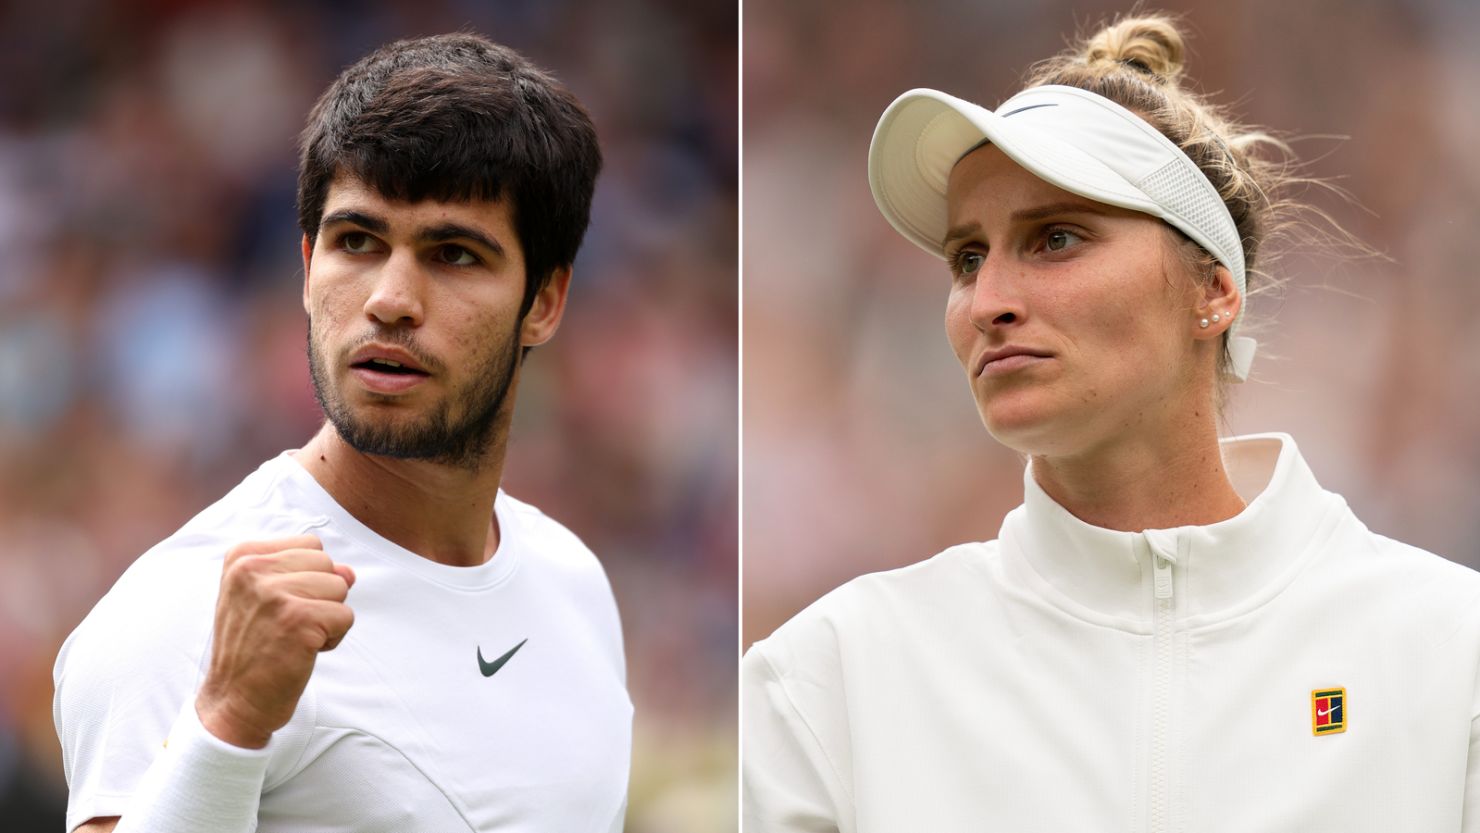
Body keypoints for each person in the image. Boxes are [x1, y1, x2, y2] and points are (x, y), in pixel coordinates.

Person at [742, 13, 1480, 832]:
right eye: (967, 259)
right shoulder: (828, 677)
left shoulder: (1450, 649)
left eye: (1056, 238)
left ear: (1214, 290)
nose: (988, 303)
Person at [53, 33, 631, 833]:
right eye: (356, 241)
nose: (391, 298)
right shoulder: (180, 611)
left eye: (454, 253)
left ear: (545, 302)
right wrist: (227, 719)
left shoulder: (576, 586)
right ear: (305, 261)